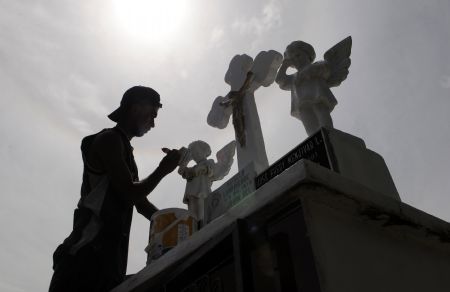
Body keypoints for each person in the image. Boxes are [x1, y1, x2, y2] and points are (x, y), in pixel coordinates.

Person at [49, 86, 182, 292]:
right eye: (152, 115)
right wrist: (163, 169)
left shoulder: (126, 153)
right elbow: (130, 194)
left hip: (107, 267)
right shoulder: (109, 140)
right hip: (83, 261)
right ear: (136, 108)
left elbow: (141, 204)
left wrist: (177, 222)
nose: (153, 124)